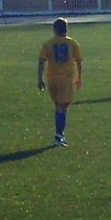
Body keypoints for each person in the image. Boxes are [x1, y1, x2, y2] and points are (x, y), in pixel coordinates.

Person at [37, 17, 83, 146]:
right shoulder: (72, 43)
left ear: (54, 30)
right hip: (66, 79)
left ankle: (59, 134)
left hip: (52, 79)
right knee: (63, 107)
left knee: (58, 106)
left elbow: (41, 61)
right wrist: (79, 77)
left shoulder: (48, 44)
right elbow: (79, 61)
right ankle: (59, 135)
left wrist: (40, 78)